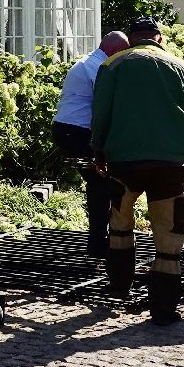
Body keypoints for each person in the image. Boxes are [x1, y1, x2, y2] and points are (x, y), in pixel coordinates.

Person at [90, 16, 184, 325]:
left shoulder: (113, 65)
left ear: (132, 39)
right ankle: (164, 309)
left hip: (125, 160)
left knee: (121, 222)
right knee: (169, 233)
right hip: (172, 162)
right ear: (159, 39)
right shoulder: (181, 66)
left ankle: (120, 286)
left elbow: (101, 112)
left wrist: (98, 150)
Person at [52, 30, 130, 255]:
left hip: (69, 129)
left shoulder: (91, 62)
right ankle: (98, 241)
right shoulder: (98, 67)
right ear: (116, 51)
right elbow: (106, 102)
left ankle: (100, 238)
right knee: (101, 181)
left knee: (101, 182)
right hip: (75, 131)